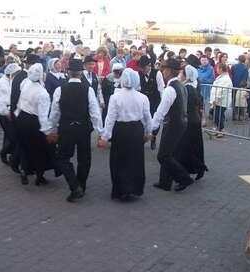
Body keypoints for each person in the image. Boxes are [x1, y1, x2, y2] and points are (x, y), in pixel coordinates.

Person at [49, 59, 104, 202]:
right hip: (83, 128)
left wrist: (52, 129)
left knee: (63, 158)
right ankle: (81, 186)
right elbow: (95, 113)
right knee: (84, 159)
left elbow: (55, 113)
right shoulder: (88, 89)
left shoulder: (60, 90)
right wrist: (101, 133)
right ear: (81, 74)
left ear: (68, 73)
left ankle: (74, 186)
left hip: (66, 128)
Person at [98, 68, 152, 201]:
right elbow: (147, 117)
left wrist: (105, 137)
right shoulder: (142, 97)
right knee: (135, 160)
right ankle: (135, 187)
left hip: (121, 130)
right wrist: (148, 132)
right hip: (136, 129)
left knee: (119, 160)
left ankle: (121, 189)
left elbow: (110, 118)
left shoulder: (115, 97)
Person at [151, 59, 194, 192]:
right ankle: (165, 182)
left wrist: (152, 127)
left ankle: (184, 178)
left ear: (169, 71)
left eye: (164, 69)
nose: (162, 71)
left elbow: (161, 111)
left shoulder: (170, 89)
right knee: (169, 153)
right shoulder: (180, 85)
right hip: (180, 122)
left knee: (163, 155)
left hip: (174, 123)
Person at [16, 63, 57, 185]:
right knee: (39, 150)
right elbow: (43, 116)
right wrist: (48, 132)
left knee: (24, 146)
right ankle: (39, 176)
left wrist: (16, 113)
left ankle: (24, 170)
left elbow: (20, 101)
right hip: (34, 121)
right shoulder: (43, 93)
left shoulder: (25, 83)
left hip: (22, 118)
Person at [176, 65, 208, 180]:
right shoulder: (193, 88)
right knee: (195, 146)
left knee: (186, 147)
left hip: (189, 120)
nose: (180, 75)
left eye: (181, 73)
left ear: (186, 76)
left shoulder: (186, 89)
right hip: (194, 119)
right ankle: (198, 168)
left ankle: (192, 170)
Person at [0, 63, 21, 168]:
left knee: (9, 135)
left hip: (10, 111)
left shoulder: (11, 80)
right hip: (4, 113)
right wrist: (6, 113)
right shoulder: (3, 83)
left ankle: (7, 153)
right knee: (12, 136)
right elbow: (0, 101)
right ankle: (5, 153)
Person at [138, 55, 164, 150]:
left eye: (144, 67)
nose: (142, 69)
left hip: (155, 100)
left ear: (149, 65)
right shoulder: (138, 74)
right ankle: (143, 138)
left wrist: (162, 102)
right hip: (143, 102)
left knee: (154, 120)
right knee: (141, 120)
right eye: (141, 67)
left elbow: (161, 89)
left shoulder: (157, 73)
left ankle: (153, 138)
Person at [209, 63, 233, 138]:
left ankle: (221, 130)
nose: (216, 70)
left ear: (221, 69)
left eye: (217, 68)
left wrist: (216, 99)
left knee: (218, 115)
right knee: (217, 115)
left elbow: (222, 90)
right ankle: (219, 129)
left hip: (221, 101)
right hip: (219, 100)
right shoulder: (221, 77)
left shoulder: (226, 78)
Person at [231, 55, 249, 119]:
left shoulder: (234, 66)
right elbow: (245, 79)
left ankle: (234, 115)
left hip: (234, 86)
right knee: (242, 102)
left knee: (235, 101)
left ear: (238, 60)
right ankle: (241, 116)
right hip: (242, 87)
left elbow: (232, 76)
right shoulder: (245, 68)